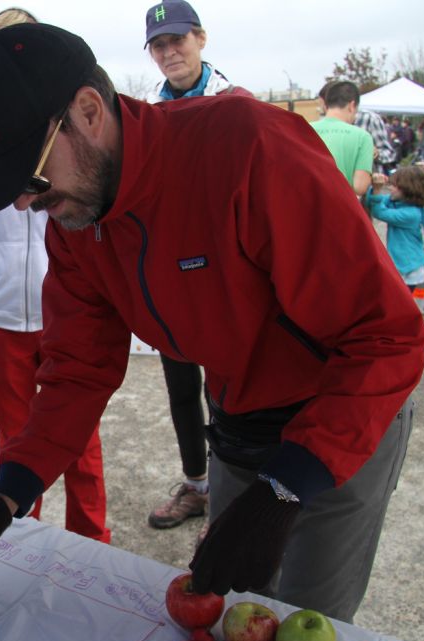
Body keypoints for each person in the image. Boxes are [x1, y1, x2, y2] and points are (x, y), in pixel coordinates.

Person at [0, 23, 424, 622]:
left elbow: (387, 335)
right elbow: (77, 372)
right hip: (237, 421)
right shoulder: (78, 221)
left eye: (31, 176)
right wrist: (5, 497)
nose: (25, 204)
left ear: (88, 111)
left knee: (308, 630)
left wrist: (286, 489)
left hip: (345, 409)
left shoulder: (246, 148)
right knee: (234, 615)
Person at [0, 7, 110, 542]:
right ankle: (22, 544)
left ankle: (91, 543)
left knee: (80, 442)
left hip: (64, 313)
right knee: (18, 443)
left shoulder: (62, 124)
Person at [141, 0, 253, 531]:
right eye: (159, 45)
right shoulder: (145, 112)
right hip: (171, 277)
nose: (169, 53)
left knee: (232, 390)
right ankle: (198, 485)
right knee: (182, 389)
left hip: (228, 277)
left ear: (201, 39)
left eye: (177, 41)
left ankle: (237, 495)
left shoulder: (235, 102)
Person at [367, 166, 424, 292]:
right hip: (403, 264)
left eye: (394, 186)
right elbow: (375, 200)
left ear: (408, 190)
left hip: (408, 267)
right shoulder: (398, 202)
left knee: (401, 305)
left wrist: (376, 190)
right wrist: (374, 187)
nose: (390, 188)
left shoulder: (411, 214)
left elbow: (380, 212)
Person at [311, 81, 374, 198]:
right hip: (341, 208)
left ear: (326, 104)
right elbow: (360, 186)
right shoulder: (362, 137)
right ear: (351, 105)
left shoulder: (304, 129)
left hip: (306, 206)